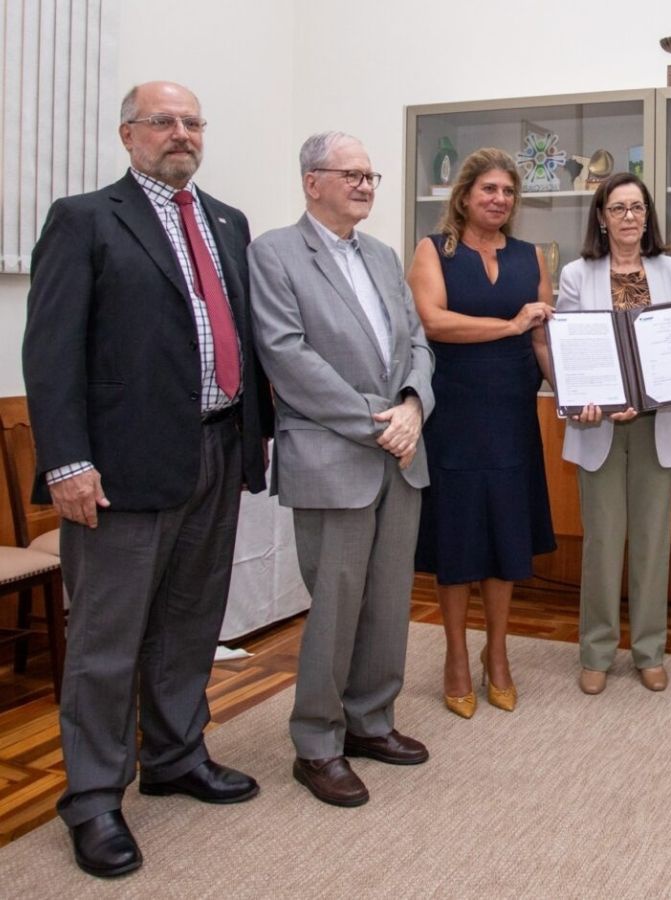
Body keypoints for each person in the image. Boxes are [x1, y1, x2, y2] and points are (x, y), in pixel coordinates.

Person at [22, 81, 271, 877]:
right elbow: (50, 350)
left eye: (193, 121)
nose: (180, 133)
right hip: (118, 467)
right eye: (162, 121)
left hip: (216, 449)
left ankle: (174, 757)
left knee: (191, 621)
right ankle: (93, 798)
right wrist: (65, 460)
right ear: (128, 135)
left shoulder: (228, 222)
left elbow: (246, 341)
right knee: (107, 639)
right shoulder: (86, 219)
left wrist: (252, 440)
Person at [249, 132, 436, 806]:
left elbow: (417, 340)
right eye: (350, 174)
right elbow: (287, 357)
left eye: (370, 175)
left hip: (401, 453)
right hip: (334, 458)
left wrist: (414, 405)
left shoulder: (385, 257)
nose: (364, 185)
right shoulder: (273, 253)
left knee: (388, 603)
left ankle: (371, 722)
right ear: (312, 181)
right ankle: (318, 743)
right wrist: (377, 422)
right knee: (335, 607)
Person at [557, 173, 671, 695]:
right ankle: (597, 651)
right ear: (601, 218)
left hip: (659, 425)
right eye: (618, 208)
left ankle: (650, 649)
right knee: (602, 544)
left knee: (652, 543)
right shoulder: (578, 274)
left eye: (638, 208)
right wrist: (588, 398)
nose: (629, 217)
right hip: (598, 426)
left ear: (648, 217)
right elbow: (568, 346)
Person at [408, 147, 555, 717]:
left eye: (508, 192)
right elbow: (433, 321)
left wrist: (568, 393)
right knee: (459, 538)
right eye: (489, 190)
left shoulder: (529, 255)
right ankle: (454, 657)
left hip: (513, 415)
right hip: (456, 417)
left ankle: (498, 653)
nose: (499, 199)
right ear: (464, 195)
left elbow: (542, 338)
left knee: (505, 537)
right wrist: (512, 324)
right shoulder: (434, 250)